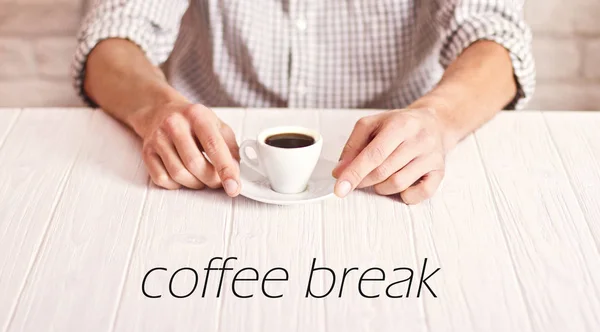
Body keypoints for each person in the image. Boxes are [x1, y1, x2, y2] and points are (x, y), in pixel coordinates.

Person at [72, 0, 535, 204]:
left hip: (393, 171)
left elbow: (495, 35)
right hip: (210, 170)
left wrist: (438, 118)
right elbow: (114, 34)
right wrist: (156, 109)